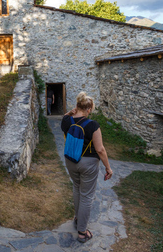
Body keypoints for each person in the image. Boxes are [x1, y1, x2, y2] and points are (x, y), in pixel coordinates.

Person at [61, 92, 113, 243]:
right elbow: (100, 149)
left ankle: (78, 218)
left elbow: (65, 117)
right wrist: (108, 168)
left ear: (76, 106)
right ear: (89, 109)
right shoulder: (93, 125)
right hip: (88, 164)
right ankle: (82, 232)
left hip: (70, 160)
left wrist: (70, 112)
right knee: (87, 196)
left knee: (77, 188)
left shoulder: (66, 120)